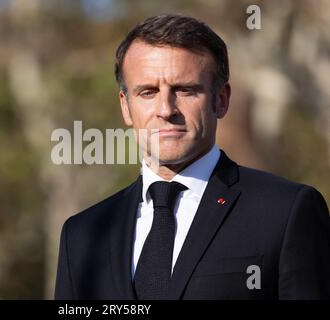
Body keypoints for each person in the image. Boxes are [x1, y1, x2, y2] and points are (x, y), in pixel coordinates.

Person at [54, 14, 330, 300]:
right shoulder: (81, 235)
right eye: (148, 92)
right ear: (126, 107)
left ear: (221, 99)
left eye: (185, 90)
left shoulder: (286, 212)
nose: (165, 109)